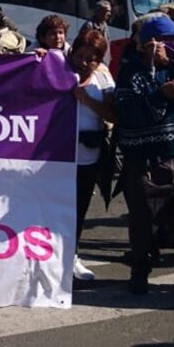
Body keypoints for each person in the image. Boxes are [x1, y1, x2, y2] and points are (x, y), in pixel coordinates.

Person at [114, 15, 174, 295]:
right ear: (151, 44)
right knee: (142, 223)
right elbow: (128, 114)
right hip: (143, 161)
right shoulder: (130, 72)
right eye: (170, 40)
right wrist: (161, 95)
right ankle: (139, 272)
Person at [68, 29, 115, 282]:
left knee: (78, 210)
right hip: (55, 158)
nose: (84, 63)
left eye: (91, 59)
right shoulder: (58, 71)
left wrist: (86, 99)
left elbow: (112, 114)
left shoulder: (103, 78)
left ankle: (72, 257)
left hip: (88, 157)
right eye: (80, 56)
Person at [78, 0, 113, 65]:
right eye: (107, 11)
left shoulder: (105, 25)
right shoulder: (89, 26)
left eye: (110, 11)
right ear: (98, 11)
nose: (109, 14)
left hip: (104, 63)